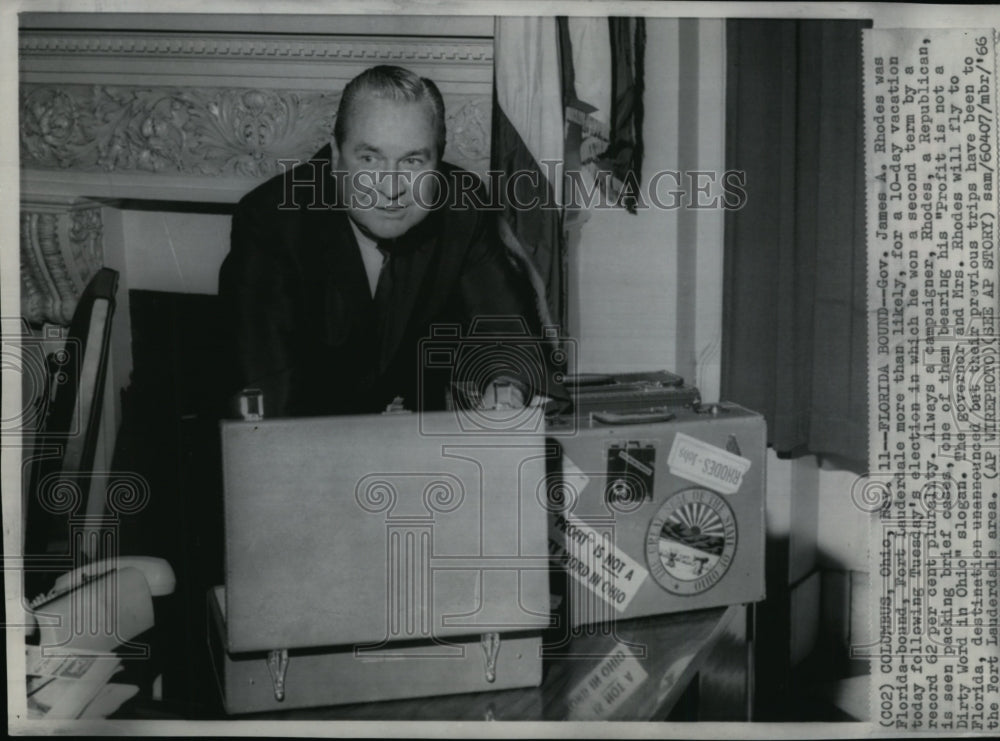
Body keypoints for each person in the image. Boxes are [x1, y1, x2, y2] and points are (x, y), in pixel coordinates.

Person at [219, 65, 564, 418]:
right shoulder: (273, 221)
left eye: (413, 161)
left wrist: (506, 393)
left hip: (414, 448)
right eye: (370, 159)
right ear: (336, 157)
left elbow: (506, 336)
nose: (391, 187)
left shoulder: (463, 205)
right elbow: (268, 394)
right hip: (309, 449)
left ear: (438, 161)